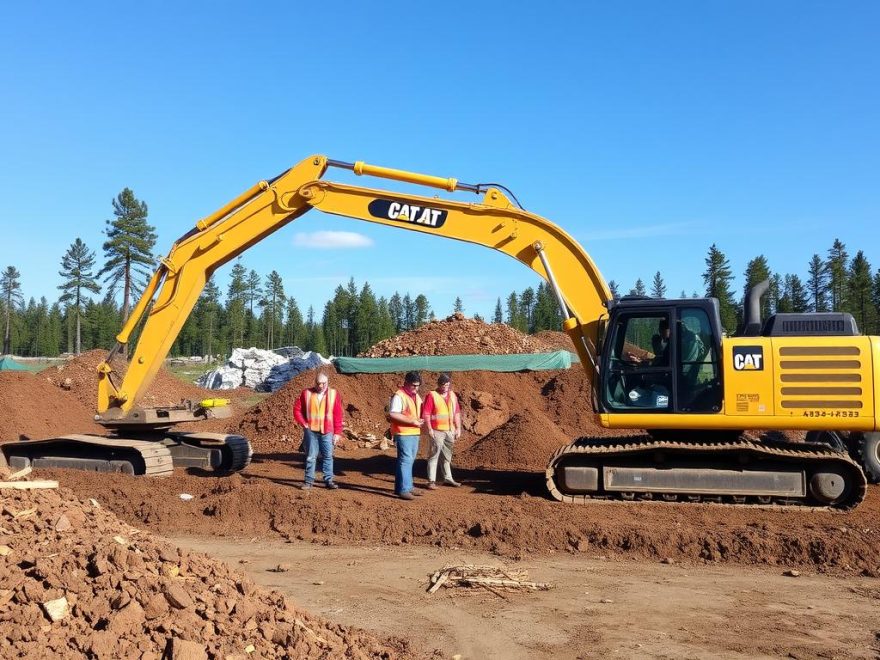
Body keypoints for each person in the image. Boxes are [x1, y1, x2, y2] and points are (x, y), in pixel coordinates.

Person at [293, 371, 343, 490]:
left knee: (328, 456)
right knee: (311, 456)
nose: (320, 386)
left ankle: (329, 480)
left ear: (327, 382)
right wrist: (303, 423)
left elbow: (338, 414)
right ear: (315, 382)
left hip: (327, 430)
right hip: (311, 431)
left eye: (323, 383)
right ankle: (308, 481)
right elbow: (297, 410)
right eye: (318, 383)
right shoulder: (306, 393)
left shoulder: (333, 394)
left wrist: (337, 432)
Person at [387, 371, 425, 500]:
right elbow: (393, 414)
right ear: (406, 383)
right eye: (414, 385)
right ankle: (404, 489)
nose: (416, 388)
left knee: (407, 460)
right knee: (406, 460)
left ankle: (405, 487)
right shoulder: (399, 396)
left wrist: (419, 420)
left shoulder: (415, 395)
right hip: (403, 433)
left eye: (418, 385)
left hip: (413, 432)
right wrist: (412, 421)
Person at [422, 373, 462, 488]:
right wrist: (429, 428)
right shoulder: (432, 395)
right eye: (444, 385)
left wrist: (458, 428)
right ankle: (431, 481)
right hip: (437, 430)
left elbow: (457, 413)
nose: (446, 387)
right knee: (434, 455)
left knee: (447, 455)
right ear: (439, 384)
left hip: (450, 430)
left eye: (447, 385)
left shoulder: (453, 395)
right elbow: (426, 413)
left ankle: (448, 478)